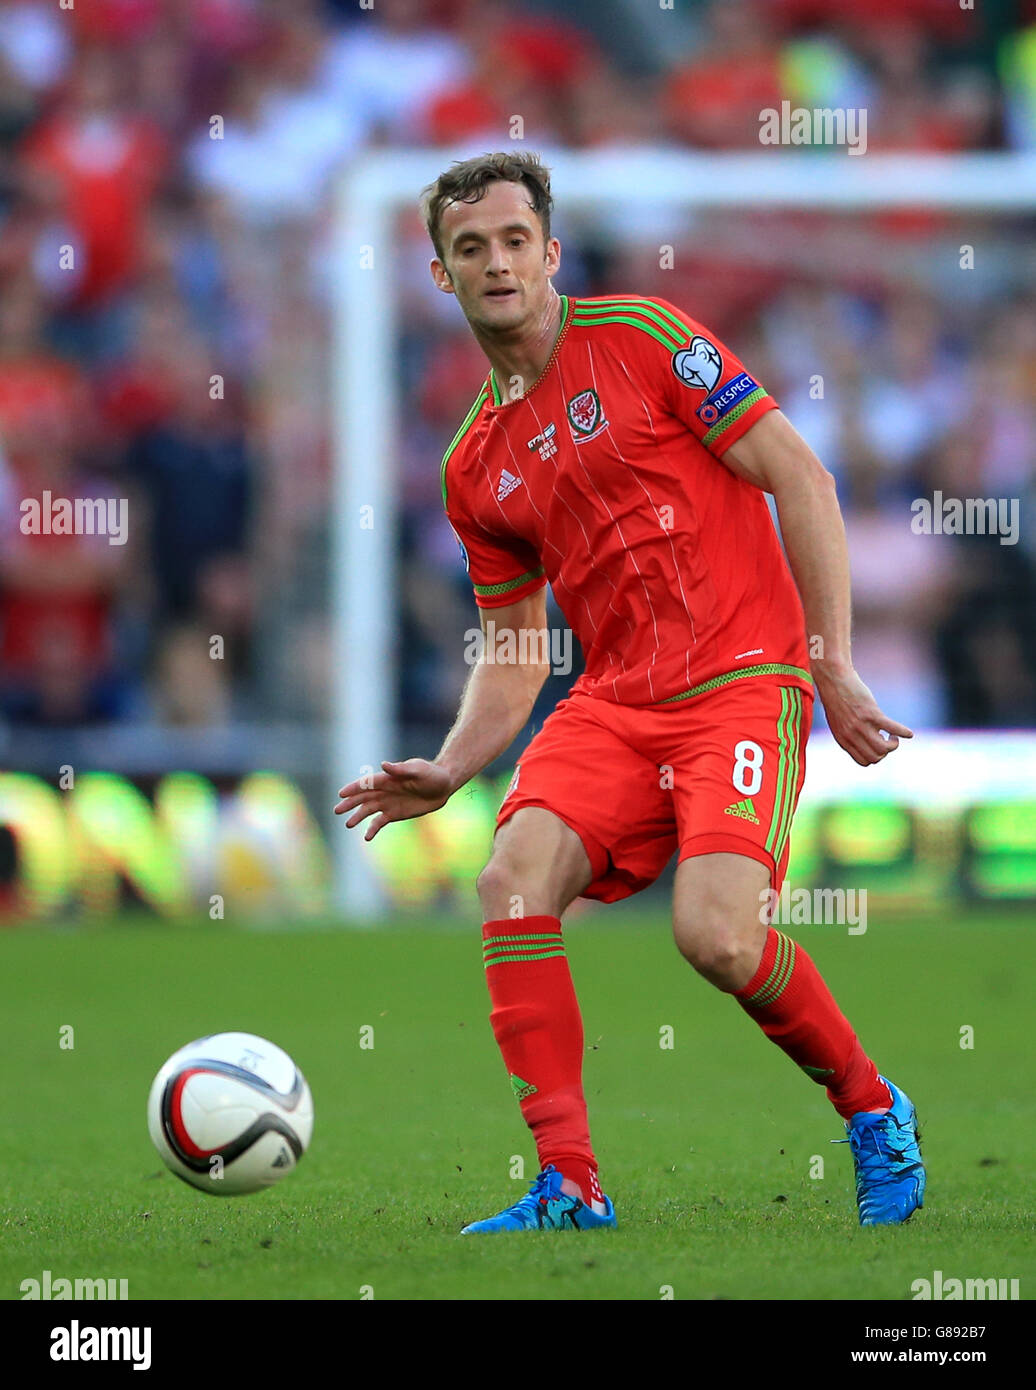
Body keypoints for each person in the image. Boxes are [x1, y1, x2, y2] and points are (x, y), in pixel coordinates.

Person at [335, 152, 925, 1232]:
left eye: (515, 241)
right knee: (510, 878)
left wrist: (830, 659)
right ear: (440, 276)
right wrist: (453, 766)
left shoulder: (646, 339)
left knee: (716, 937)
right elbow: (515, 650)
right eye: (471, 248)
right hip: (614, 699)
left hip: (743, 674)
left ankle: (873, 1105)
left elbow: (798, 474)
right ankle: (571, 1182)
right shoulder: (474, 464)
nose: (496, 262)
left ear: (551, 254)